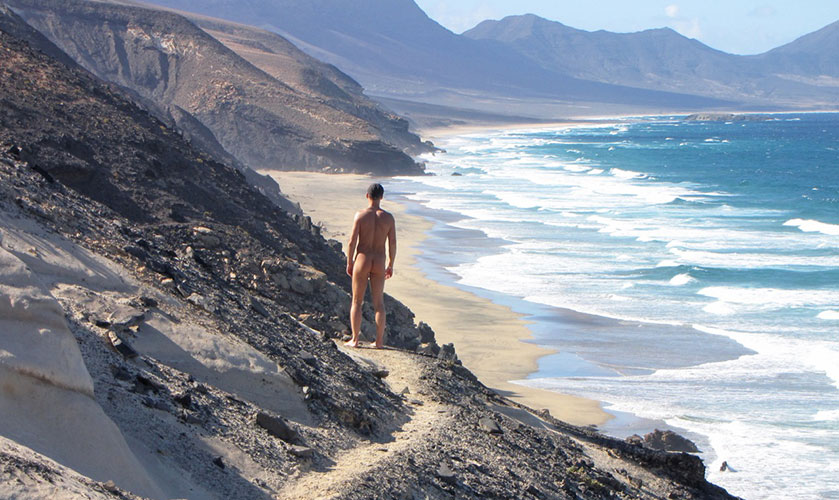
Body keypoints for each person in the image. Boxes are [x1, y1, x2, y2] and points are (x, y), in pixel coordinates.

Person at [345, 183, 396, 348]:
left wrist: (349, 262)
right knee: (379, 303)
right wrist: (391, 264)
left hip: (363, 259)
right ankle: (379, 341)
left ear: (367, 196)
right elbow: (392, 243)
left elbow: (352, 241)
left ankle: (355, 339)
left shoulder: (360, 215)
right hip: (379, 261)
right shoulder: (388, 218)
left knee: (356, 301)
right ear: (381, 197)